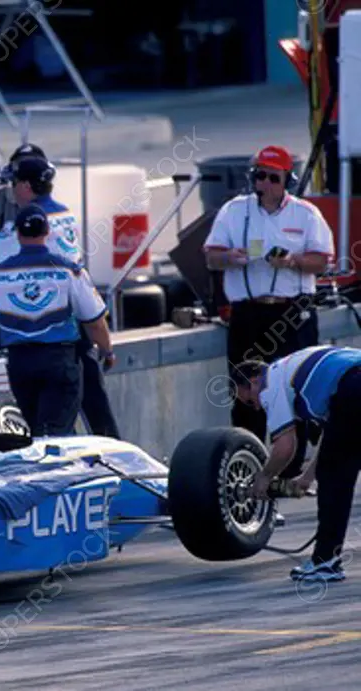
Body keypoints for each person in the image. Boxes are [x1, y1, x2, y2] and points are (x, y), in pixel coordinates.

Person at [0, 145, 121, 439]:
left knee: (43, 431)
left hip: (29, 353)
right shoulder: (65, 215)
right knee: (93, 412)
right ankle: (116, 468)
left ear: (26, 186)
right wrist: (107, 348)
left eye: (13, 183)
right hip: (74, 332)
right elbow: (95, 318)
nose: (10, 189)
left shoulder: (14, 236)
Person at [204, 144, 335, 476]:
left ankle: (290, 467)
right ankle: (245, 462)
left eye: (272, 178)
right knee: (246, 391)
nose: (264, 184)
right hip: (248, 312)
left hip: (291, 313)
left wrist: (291, 261)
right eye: (259, 176)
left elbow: (321, 262)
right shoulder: (235, 211)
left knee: (293, 388)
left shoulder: (305, 214)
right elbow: (210, 256)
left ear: (286, 181)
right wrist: (232, 257)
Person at [0, 204, 115, 438]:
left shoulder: (0, 275)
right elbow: (94, 322)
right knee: (56, 436)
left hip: (20, 366)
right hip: (59, 363)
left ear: (18, 236)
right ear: (47, 233)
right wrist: (107, 351)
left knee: (37, 434)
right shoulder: (68, 270)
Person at [234, 345, 361, 583]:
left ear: (253, 381)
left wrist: (264, 477)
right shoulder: (294, 368)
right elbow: (332, 436)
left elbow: (285, 445)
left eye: (251, 401)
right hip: (353, 381)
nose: (258, 407)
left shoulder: (271, 383)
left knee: (335, 480)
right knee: (337, 466)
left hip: (353, 387)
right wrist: (307, 477)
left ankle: (325, 562)